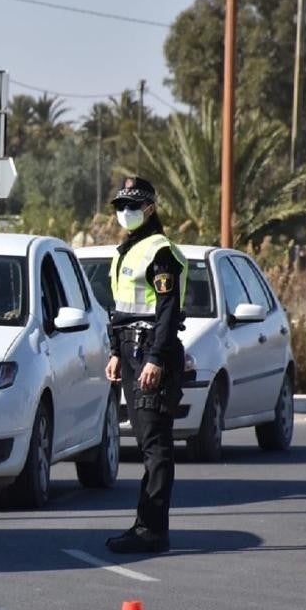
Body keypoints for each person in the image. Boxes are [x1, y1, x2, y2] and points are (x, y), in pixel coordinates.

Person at [104, 176, 187, 554]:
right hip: (132, 352)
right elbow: (124, 311)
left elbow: (167, 311)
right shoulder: (127, 251)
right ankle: (145, 525)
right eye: (121, 206)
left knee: (155, 445)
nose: (126, 212)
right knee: (145, 441)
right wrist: (116, 352)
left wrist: (154, 358)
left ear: (150, 208)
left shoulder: (160, 251)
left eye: (133, 206)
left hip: (152, 354)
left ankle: (153, 531)